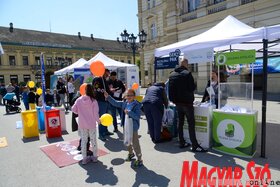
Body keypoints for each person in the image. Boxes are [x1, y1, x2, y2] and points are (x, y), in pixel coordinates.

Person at [168, 57, 207, 152]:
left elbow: (170, 90)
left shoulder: (172, 74)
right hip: (187, 103)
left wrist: (173, 100)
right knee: (191, 124)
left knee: (180, 122)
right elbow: (192, 88)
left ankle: (181, 142)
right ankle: (195, 145)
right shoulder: (187, 74)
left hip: (177, 103)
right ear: (186, 64)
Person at [104, 89, 143, 167]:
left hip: (133, 128)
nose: (129, 97)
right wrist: (108, 97)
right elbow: (115, 103)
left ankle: (139, 159)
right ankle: (131, 154)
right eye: (127, 95)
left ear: (134, 96)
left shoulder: (136, 105)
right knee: (127, 141)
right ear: (125, 96)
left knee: (135, 144)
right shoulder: (124, 103)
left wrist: (130, 112)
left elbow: (137, 116)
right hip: (126, 126)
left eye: (131, 95)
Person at [72, 84, 99, 165]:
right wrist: (98, 121)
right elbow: (95, 114)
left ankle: (84, 158)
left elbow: (73, 109)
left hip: (82, 124)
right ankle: (94, 157)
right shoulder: (94, 101)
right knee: (93, 140)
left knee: (84, 141)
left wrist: (79, 112)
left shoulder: (79, 100)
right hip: (91, 124)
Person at [92, 69, 113, 141]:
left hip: (106, 100)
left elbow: (106, 89)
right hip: (101, 101)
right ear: (104, 72)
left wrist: (110, 91)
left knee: (106, 117)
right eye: (107, 73)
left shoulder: (104, 80)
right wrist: (103, 91)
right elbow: (96, 88)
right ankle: (101, 134)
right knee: (102, 117)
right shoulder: (98, 78)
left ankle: (105, 131)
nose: (108, 75)